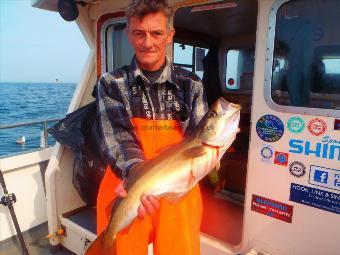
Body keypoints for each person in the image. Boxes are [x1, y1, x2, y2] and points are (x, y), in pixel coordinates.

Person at [96, 0, 208, 254]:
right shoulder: (112, 83)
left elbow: (197, 142)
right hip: (127, 186)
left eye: (156, 33)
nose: (148, 43)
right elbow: (117, 138)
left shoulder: (191, 84)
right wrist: (138, 180)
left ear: (169, 35)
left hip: (178, 190)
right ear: (129, 34)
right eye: (139, 33)